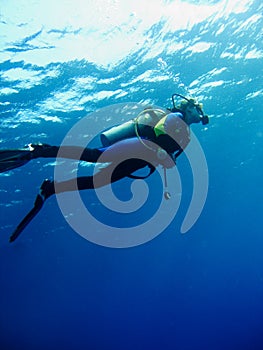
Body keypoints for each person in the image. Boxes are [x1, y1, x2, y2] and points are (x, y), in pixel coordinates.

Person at [0, 93, 209, 242]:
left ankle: (51, 188)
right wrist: (164, 154)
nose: (199, 115)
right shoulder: (177, 117)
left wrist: (166, 160)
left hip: (141, 158)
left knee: (98, 181)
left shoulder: (187, 133)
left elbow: (168, 150)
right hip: (137, 147)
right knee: (95, 156)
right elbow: (161, 132)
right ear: (188, 108)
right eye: (196, 110)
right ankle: (39, 150)